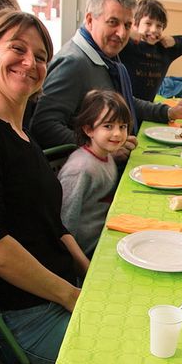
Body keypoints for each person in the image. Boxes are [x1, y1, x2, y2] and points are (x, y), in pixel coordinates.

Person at [0, 10, 89, 364]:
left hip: (58, 291)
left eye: (40, 56)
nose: (29, 63)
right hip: (24, 313)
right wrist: (70, 295)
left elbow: (53, 223)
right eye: (17, 49)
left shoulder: (22, 135)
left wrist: (90, 272)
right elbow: (0, 251)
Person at [29, 0, 182, 152]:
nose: (122, 33)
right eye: (113, 22)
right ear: (89, 20)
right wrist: (99, 148)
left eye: (127, 25)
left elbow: (124, 101)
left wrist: (168, 112)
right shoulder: (74, 63)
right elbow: (44, 126)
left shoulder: (105, 56)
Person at [58, 90, 131, 256]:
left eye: (123, 126)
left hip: (105, 234)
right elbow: (65, 222)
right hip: (89, 249)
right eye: (108, 126)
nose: (118, 133)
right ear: (89, 130)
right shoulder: (80, 169)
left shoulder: (107, 156)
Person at [119, 0, 182, 101]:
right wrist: (128, 33)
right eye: (148, 23)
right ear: (135, 24)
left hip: (148, 109)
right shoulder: (128, 46)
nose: (154, 30)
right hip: (124, 106)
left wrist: (174, 40)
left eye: (159, 26)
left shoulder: (164, 50)